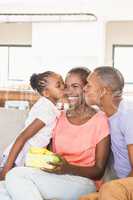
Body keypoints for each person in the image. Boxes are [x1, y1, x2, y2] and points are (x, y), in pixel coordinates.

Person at [0, 67, 110, 200]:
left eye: (75, 86)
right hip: (54, 178)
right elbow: (46, 151)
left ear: (86, 88)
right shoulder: (58, 117)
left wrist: (68, 168)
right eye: (66, 86)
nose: (68, 91)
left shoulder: (100, 120)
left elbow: (99, 171)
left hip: (83, 182)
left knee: (14, 175)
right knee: (3, 189)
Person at [80, 66, 133, 200]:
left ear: (103, 91)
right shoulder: (103, 116)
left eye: (89, 85)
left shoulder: (128, 115)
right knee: (85, 198)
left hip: (124, 185)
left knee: (109, 189)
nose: (84, 89)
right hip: (119, 183)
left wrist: (116, 189)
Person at [0, 71, 64, 180]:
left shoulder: (48, 106)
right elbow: (22, 137)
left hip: (32, 156)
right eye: (59, 85)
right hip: (19, 158)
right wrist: (7, 168)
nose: (63, 86)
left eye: (62, 82)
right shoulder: (46, 110)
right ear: (46, 93)